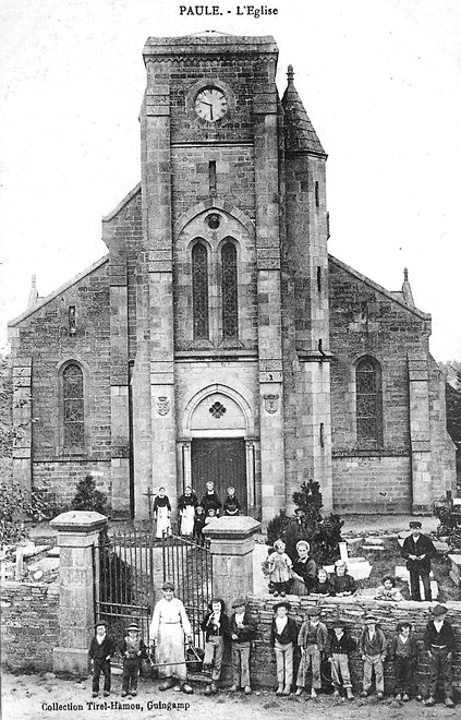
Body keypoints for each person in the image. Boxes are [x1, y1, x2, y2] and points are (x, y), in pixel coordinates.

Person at [149, 581, 194, 694]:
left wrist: (188, 634)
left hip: (176, 629)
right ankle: (168, 679)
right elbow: (155, 621)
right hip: (163, 630)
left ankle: (182, 680)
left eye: (170, 591)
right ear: (163, 592)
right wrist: (152, 637)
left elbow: (184, 618)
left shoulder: (178, 603)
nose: (168, 593)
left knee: (178, 654)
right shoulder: (159, 604)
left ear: (173, 592)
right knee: (165, 654)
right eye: (166, 591)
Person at [423, 604, 455, 707]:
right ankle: (432, 696)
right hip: (434, 651)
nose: (444, 616)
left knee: (447, 674)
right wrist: (428, 651)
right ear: (437, 616)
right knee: (433, 674)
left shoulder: (447, 625)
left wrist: (450, 652)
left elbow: (452, 639)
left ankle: (448, 697)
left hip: (445, 650)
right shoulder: (430, 625)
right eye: (442, 615)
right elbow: (426, 638)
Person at [295, 606, 328, 698]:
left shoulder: (322, 627)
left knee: (316, 669)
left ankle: (314, 689)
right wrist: (301, 647)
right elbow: (300, 635)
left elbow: (325, 639)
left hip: (316, 649)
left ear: (318, 617)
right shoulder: (305, 625)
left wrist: (321, 649)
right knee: (303, 668)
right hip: (306, 648)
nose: (313, 618)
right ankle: (300, 687)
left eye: (315, 616)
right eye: (311, 616)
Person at [401, 520, 437, 601]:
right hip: (413, 566)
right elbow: (403, 552)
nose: (415, 531)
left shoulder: (426, 540)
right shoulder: (408, 540)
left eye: (417, 529)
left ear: (420, 529)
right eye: (413, 529)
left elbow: (433, 552)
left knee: (427, 586)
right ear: (410, 529)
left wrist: (425, 555)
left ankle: (428, 602)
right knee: (414, 586)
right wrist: (410, 556)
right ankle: (416, 602)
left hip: (424, 565)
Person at [200, 598, 230, 695]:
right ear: (211, 607)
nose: (216, 608)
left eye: (218, 606)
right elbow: (203, 627)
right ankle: (207, 682)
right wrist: (209, 622)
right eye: (214, 606)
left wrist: (218, 624)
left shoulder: (224, 617)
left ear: (221, 607)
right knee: (208, 660)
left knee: (218, 661)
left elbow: (226, 629)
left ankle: (214, 683)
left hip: (220, 639)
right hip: (210, 640)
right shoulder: (209, 616)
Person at [270, 600, 299, 696]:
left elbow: (294, 634)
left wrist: (293, 644)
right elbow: (272, 634)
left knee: (288, 666)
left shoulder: (290, 621)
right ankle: (280, 685)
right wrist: (273, 644)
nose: (281, 612)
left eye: (283, 610)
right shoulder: (275, 621)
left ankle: (288, 685)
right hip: (278, 645)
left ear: (286, 611)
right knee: (280, 666)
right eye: (279, 610)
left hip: (288, 645)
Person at [230, 598, 256, 695]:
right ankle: (236, 683)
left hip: (245, 644)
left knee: (245, 664)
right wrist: (232, 634)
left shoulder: (247, 617)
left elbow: (253, 627)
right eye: (237, 607)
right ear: (235, 609)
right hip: (235, 644)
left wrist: (244, 628)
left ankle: (246, 685)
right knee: (235, 663)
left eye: (242, 607)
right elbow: (228, 629)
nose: (240, 609)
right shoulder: (233, 617)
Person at [389, 621, 420, 702]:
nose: (407, 633)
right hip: (398, 659)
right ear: (400, 631)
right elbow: (392, 648)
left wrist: (412, 657)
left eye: (409, 631)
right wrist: (393, 657)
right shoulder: (396, 638)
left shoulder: (411, 639)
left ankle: (407, 693)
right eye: (405, 632)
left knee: (408, 676)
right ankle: (398, 693)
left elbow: (414, 649)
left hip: (408, 660)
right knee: (398, 676)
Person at [325, 619, 356, 700]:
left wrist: (346, 651)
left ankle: (348, 690)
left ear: (342, 628)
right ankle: (336, 689)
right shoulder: (331, 636)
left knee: (345, 672)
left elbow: (353, 645)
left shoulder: (346, 636)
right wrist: (329, 656)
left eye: (339, 628)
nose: (337, 630)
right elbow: (327, 646)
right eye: (335, 628)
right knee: (334, 672)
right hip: (334, 655)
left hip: (343, 655)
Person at [359, 614, 387, 699]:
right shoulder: (365, 633)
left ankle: (380, 691)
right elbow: (361, 644)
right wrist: (363, 654)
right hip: (368, 656)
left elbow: (384, 644)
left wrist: (383, 655)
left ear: (375, 624)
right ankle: (365, 689)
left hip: (377, 655)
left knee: (379, 674)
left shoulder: (379, 633)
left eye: (372, 624)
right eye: (368, 624)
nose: (370, 626)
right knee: (367, 673)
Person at [88, 619, 115, 698]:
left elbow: (112, 648)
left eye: (102, 629)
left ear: (105, 629)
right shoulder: (94, 639)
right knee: (96, 675)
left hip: (105, 660)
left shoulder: (108, 639)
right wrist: (92, 657)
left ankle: (106, 690)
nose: (100, 631)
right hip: (97, 660)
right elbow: (91, 649)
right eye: (98, 629)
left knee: (107, 675)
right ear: (96, 630)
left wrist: (110, 655)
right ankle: (95, 690)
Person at [120, 622, 148, 697]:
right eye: (131, 632)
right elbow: (121, 648)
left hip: (136, 660)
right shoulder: (125, 640)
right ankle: (124, 689)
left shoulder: (139, 640)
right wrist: (125, 652)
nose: (133, 634)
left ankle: (133, 689)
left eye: (135, 632)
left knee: (135, 675)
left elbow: (144, 648)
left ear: (137, 633)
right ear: (128, 632)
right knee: (126, 675)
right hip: (127, 660)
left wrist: (140, 652)